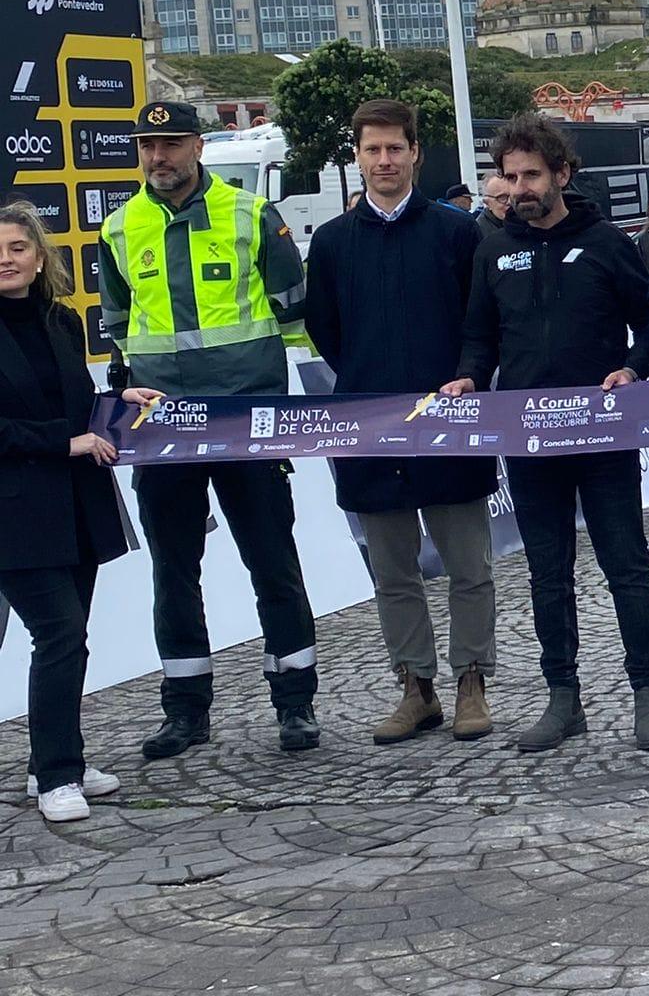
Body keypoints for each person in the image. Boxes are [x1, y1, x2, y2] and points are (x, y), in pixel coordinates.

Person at [444, 114, 649, 753]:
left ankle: (647, 694)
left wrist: (633, 367)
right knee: (548, 571)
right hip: (529, 437)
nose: (518, 188)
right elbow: (479, 334)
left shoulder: (606, 243)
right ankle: (562, 697)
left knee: (626, 565)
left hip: (603, 435)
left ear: (562, 175)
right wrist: (469, 377)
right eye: (509, 177)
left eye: (531, 175)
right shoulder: (493, 247)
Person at [100, 99, 323, 759]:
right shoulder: (119, 228)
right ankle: (186, 713)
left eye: (169, 143)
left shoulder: (252, 214)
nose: (158, 157)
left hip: (244, 424)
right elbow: (118, 327)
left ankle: (295, 704)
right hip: (162, 431)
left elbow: (293, 307)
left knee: (273, 566)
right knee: (173, 572)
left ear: (198, 145)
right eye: (147, 146)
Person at [304, 99, 497, 746]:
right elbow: (325, 330)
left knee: (470, 566)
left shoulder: (457, 231)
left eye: (395, 148)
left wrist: (464, 376)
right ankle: (416, 688)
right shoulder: (331, 243)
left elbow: (480, 322)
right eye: (372, 150)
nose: (384, 161)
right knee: (393, 572)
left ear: (416, 152)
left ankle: (472, 680)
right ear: (356, 157)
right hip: (370, 430)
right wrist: (368, 385)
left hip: (451, 424)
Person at [0, 203, 155, 822]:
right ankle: (59, 774)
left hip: (73, 505)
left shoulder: (62, 323)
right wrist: (61, 444)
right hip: (15, 512)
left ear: (40, 257)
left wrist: (116, 401)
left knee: (70, 638)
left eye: (17, 247)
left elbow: (70, 401)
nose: (6, 259)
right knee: (59, 633)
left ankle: (52, 763)